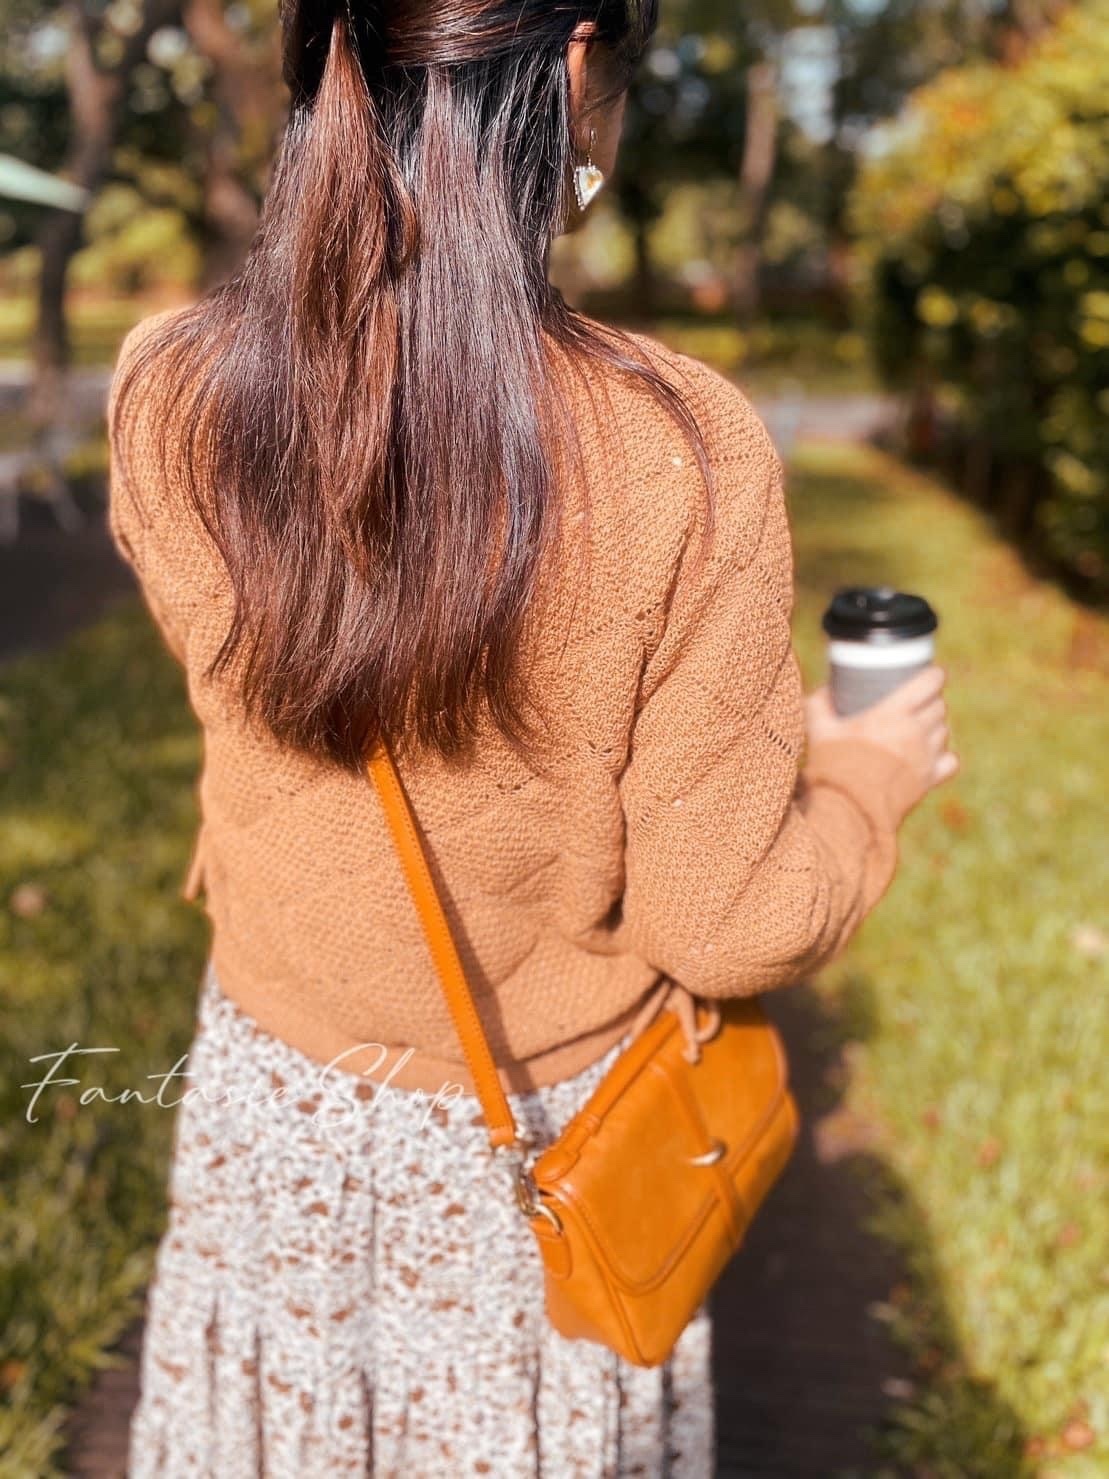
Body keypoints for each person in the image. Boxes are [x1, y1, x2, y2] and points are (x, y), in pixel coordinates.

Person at [106, 1, 959, 1474]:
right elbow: (726, 922)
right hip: (537, 1161)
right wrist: (869, 779)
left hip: (272, 1103)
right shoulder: (679, 450)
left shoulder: (169, 389)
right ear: (573, 66)